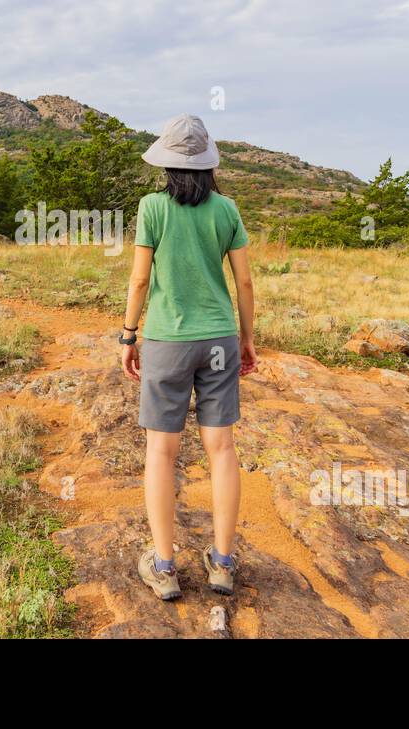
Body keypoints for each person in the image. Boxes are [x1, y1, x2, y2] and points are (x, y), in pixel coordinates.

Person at [120, 113, 256, 600]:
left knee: (161, 452)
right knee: (222, 450)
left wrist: (128, 334)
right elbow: (243, 282)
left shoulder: (152, 207)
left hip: (167, 341)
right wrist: (245, 338)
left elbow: (139, 280)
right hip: (218, 340)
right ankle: (222, 564)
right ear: (207, 165)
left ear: (167, 164)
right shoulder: (227, 210)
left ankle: (165, 566)